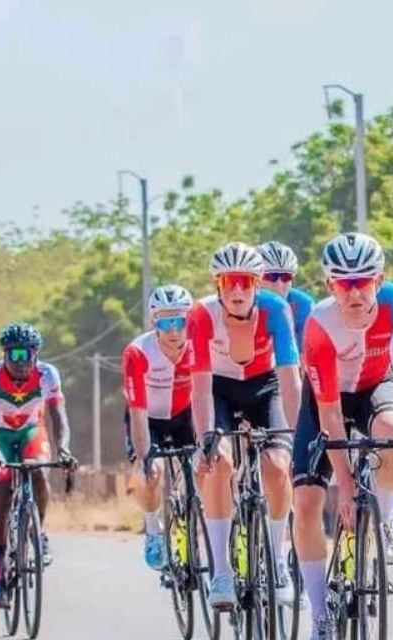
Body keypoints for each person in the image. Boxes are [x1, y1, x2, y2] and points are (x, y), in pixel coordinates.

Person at [292, 233, 393, 640]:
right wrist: (344, 483)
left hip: (376, 386)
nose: (355, 293)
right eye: (344, 284)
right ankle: (320, 615)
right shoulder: (320, 324)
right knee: (305, 501)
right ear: (329, 286)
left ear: (380, 280)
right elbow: (329, 412)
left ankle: (388, 520)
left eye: (364, 282)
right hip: (328, 401)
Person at [187, 242, 301, 611]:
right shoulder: (201, 314)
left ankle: (279, 561)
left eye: (245, 282)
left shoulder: (276, 309)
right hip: (219, 389)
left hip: (265, 385)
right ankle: (220, 570)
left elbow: (289, 379)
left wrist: (298, 435)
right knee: (219, 463)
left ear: (257, 283)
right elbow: (201, 387)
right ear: (217, 284)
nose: (237, 290)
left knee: (277, 465)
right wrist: (206, 439)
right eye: (229, 281)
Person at [0, 323, 74, 608]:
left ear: (36, 354)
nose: (21, 360)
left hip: (31, 431)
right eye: (15, 354)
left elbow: (58, 417)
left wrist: (64, 448)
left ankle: (39, 534)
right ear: (5, 354)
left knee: (39, 471)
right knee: (1, 493)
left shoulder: (47, 374)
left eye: (28, 353)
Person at [122, 285, 195, 571]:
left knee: (209, 467)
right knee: (151, 474)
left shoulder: (200, 345)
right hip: (147, 419)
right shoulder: (138, 353)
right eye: (166, 322)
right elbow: (137, 411)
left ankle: (199, 522)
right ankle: (153, 531)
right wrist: (146, 456)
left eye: (180, 321)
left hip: (184, 414)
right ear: (154, 323)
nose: (174, 329)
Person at [258, 241, 315, 352]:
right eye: (271, 277)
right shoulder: (241, 303)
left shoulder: (304, 305)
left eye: (285, 277)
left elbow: (305, 358)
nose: (279, 284)